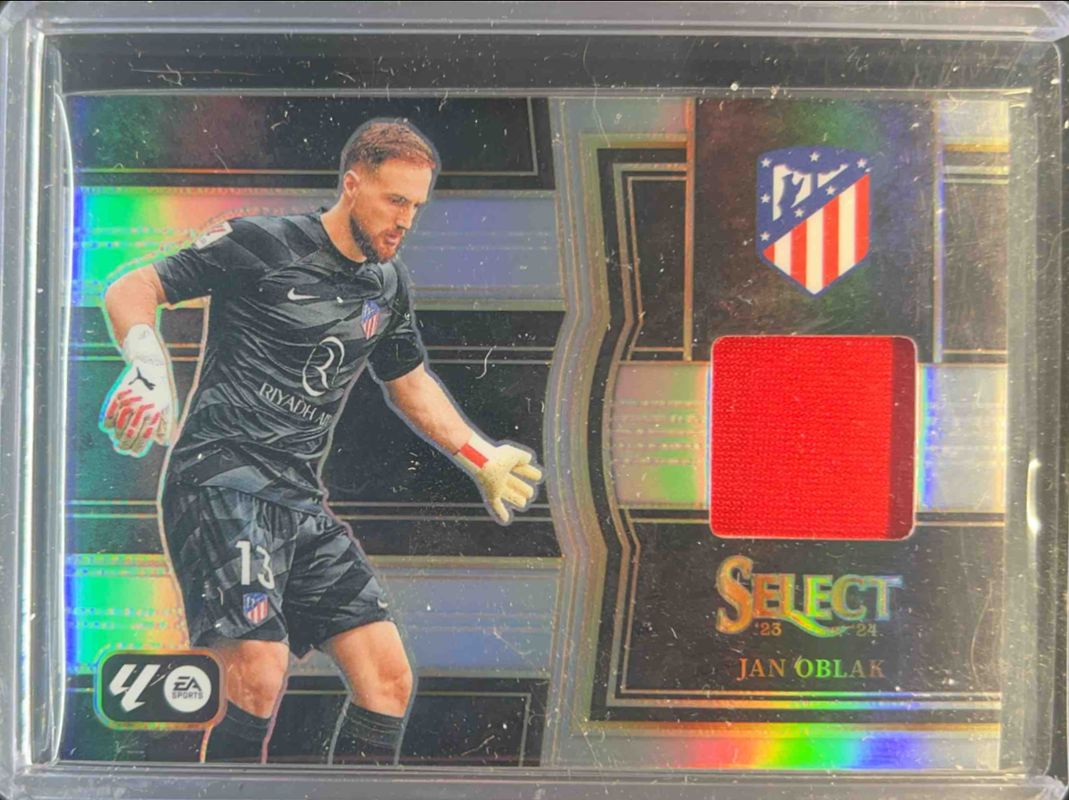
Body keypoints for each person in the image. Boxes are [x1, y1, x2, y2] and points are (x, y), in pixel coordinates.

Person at [97, 119, 544, 765]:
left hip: (299, 501)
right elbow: (134, 287)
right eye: (395, 200)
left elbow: (408, 381)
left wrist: (482, 457)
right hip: (220, 481)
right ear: (352, 184)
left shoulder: (386, 285)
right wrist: (147, 366)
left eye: (416, 207)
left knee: (388, 680)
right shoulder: (261, 242)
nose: (405, 221)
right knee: (259, 670)